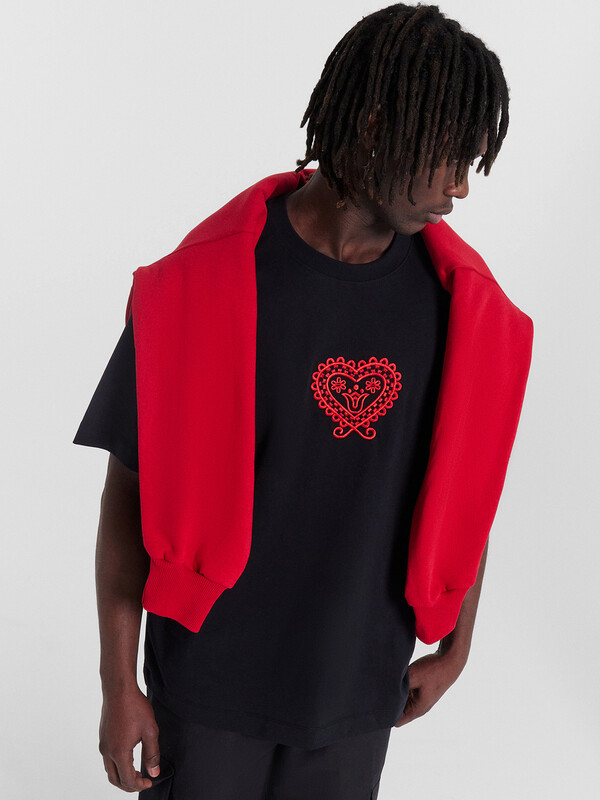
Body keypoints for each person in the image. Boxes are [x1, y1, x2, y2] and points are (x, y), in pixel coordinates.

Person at [73, 4, 533, 798]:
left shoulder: (461, 311)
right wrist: (120, 686)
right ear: (378, 124)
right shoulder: (202, 284)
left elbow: (467, 490)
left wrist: (456, 649)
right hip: (207, 685)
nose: (460, 188)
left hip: (358, 693)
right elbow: (129, 488)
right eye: (448, 158)